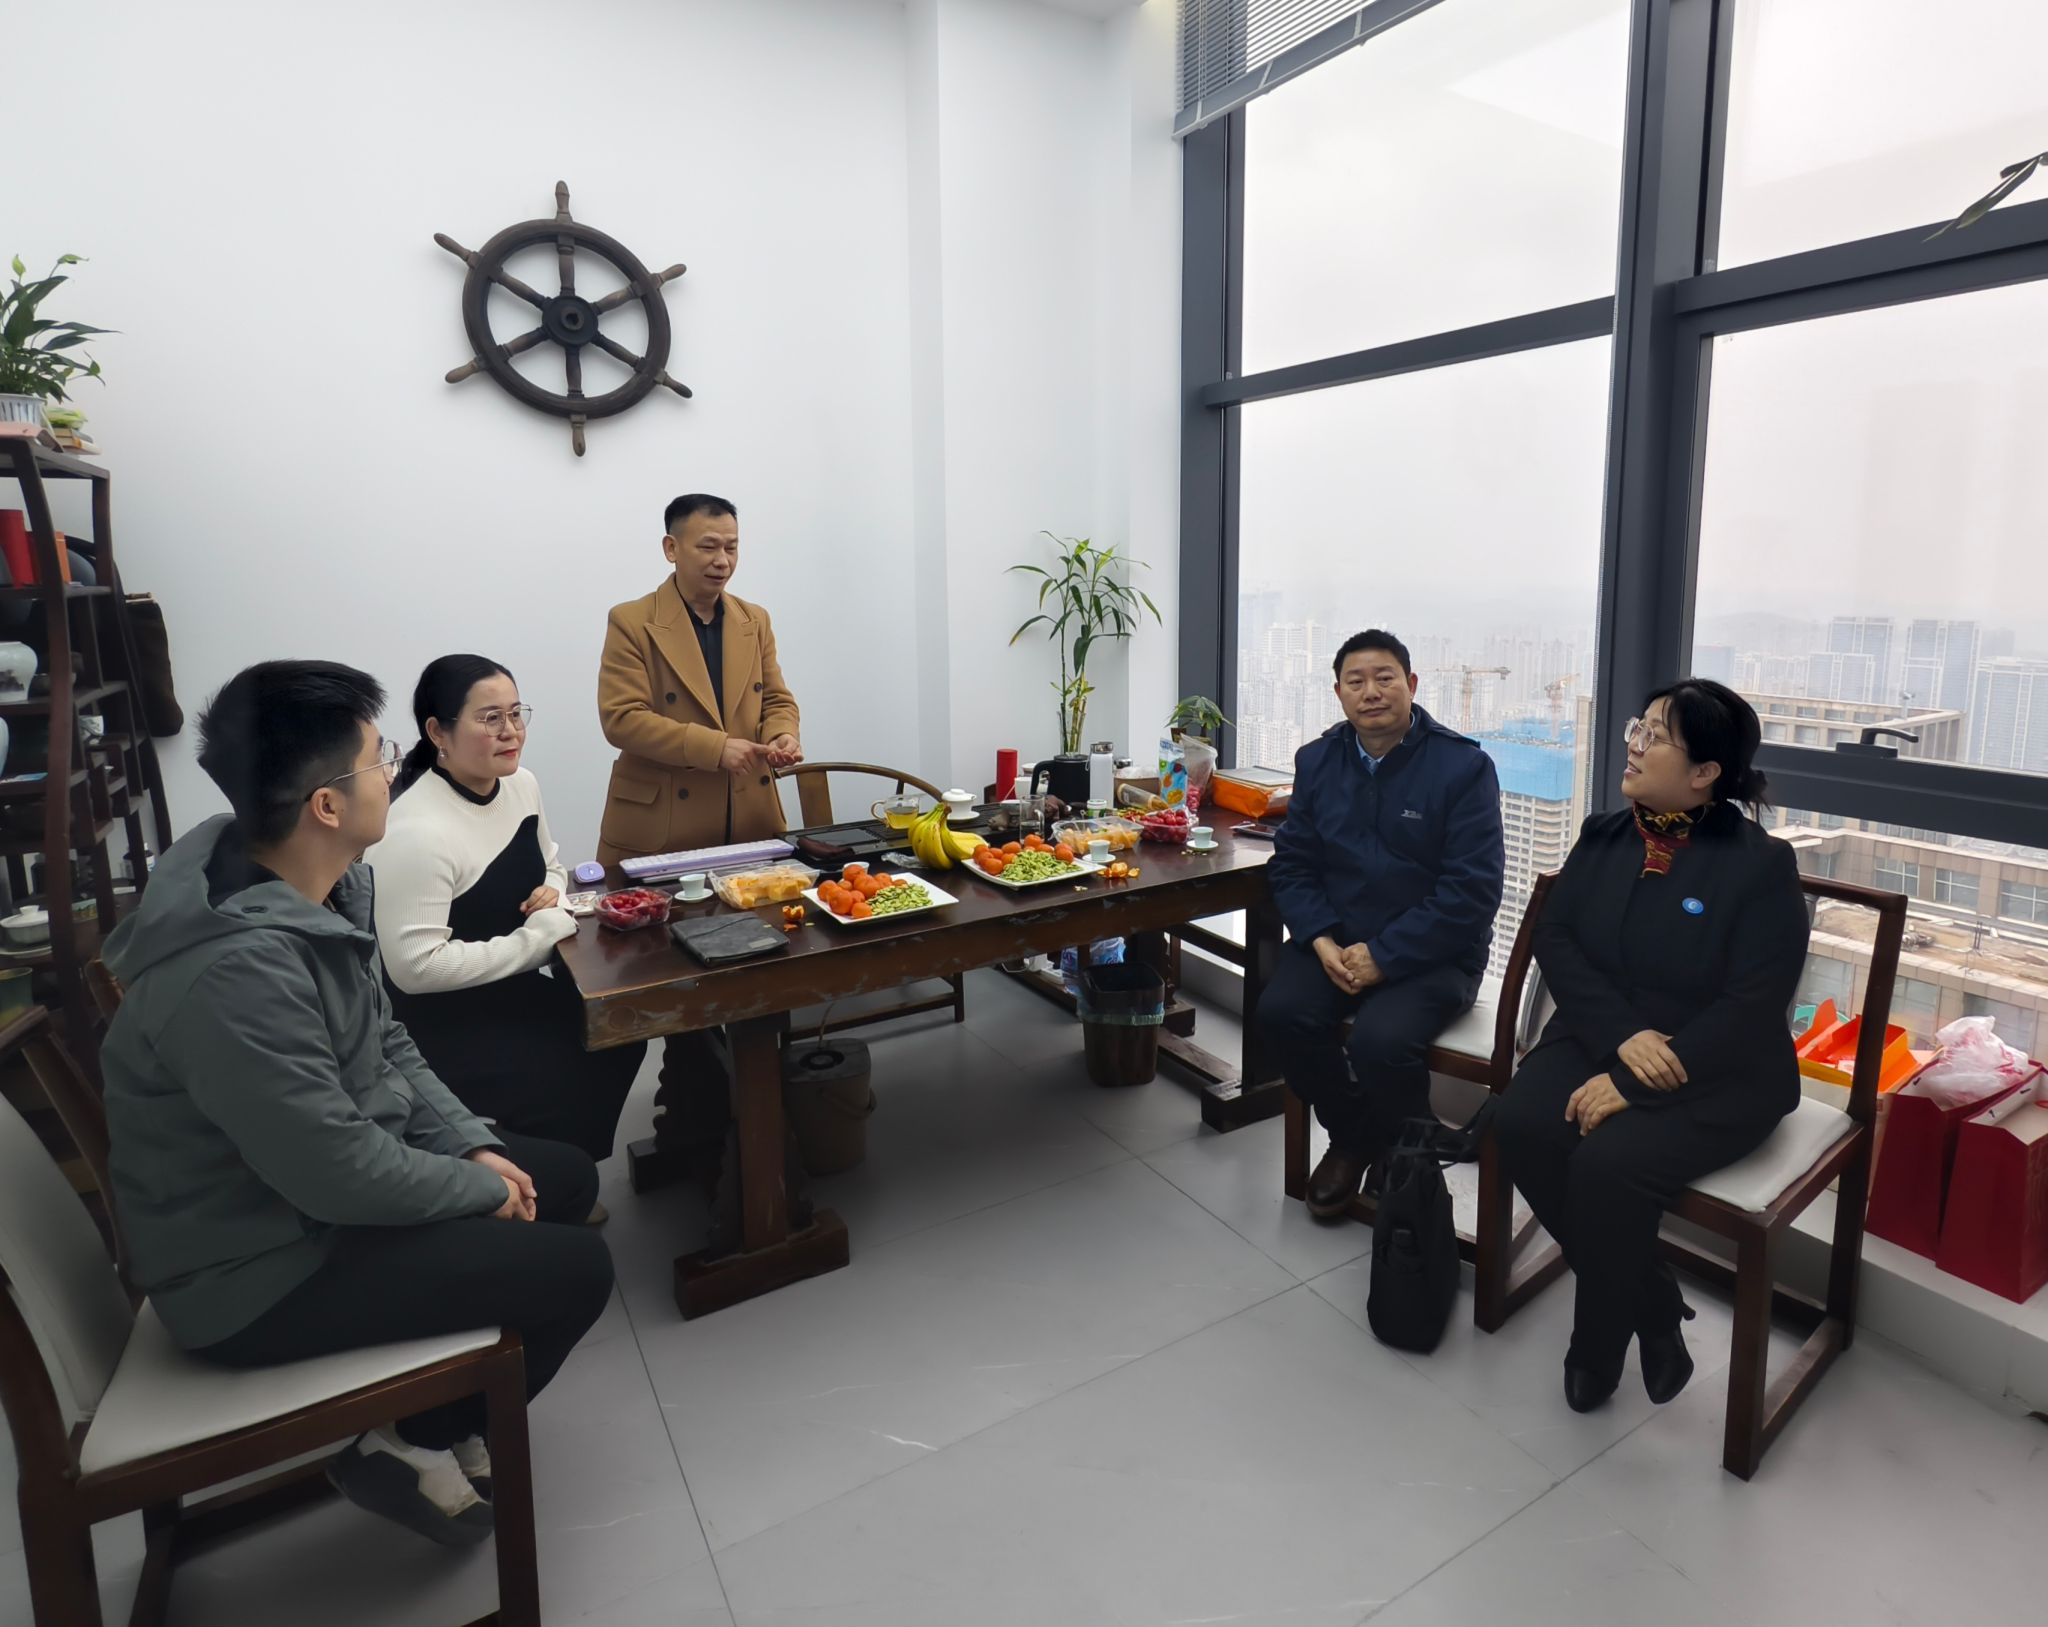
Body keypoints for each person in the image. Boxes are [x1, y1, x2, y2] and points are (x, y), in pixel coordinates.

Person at [100, 661, 614, 1548]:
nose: (395, 771)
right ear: (326, 805)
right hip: (255, 1271)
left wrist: (469, 1145)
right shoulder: (232, 972)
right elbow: (336, 1172)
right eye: (382, 757)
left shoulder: (313, 883)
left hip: (301, 1201)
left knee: (562, 1178)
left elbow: (388, 1043)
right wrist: (479, 1188)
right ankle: (412, 1441)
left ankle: (445, 1414)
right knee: (579, 1269)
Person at [1493, 679, 1808, 1415]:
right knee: (1519, 1123)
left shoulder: (1760, 865)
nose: (1632, 745)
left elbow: (1753, 1006)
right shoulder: (1605, 835)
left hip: (1720, 1066)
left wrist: (1633, 1083)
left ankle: (1596, 1345)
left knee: (1607, 1166)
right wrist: (1621, 1038)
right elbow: (1558, 939)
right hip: (1605, 1033)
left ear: (1706, 772)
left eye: (1655, 736)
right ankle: (1653, 1301)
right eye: (1639, 727)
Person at [368, 654, 645, 1182]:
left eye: (516, 714)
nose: (510, 731)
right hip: (442, 1020)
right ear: (438, 732)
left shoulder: (521, 784)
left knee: (624, 1027)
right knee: (562, 1064)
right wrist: (536, 940)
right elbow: (415, 968)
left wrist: (552, 890)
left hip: (510, 986)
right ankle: (547, 1181)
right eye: (490, 718)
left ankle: (565, 1173)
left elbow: (552, 863)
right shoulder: (415, 831)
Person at [1259, 629, 1506, 1217]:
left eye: (1384, 677)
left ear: (1411, 684)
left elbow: (1472, 891)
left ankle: (1406, 1161)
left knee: (1381, 1041)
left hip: (1434, 952)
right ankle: (1357, 1135)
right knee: (1280, 1013)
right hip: (1338, 941)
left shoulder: (1463, 767)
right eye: (1356, 681)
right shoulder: (1318, 760)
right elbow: (1292, 863)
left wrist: (1385, 956)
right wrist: (1320, 939)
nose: (1371, 692)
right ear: (1339, 694)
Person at [595, 493, 802, 1166]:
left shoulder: (753, 619)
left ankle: (755, 1117)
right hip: (667, 825)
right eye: (708, 546)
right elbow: (621, 718)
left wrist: (782, 732)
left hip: (745, 817)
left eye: (732, 546)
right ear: (671, 548)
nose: (722, 560)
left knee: (760, 962)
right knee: (678, 976)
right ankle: (691, 1123)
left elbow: (777, 696)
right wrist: (713, 747)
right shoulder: (633, 620)